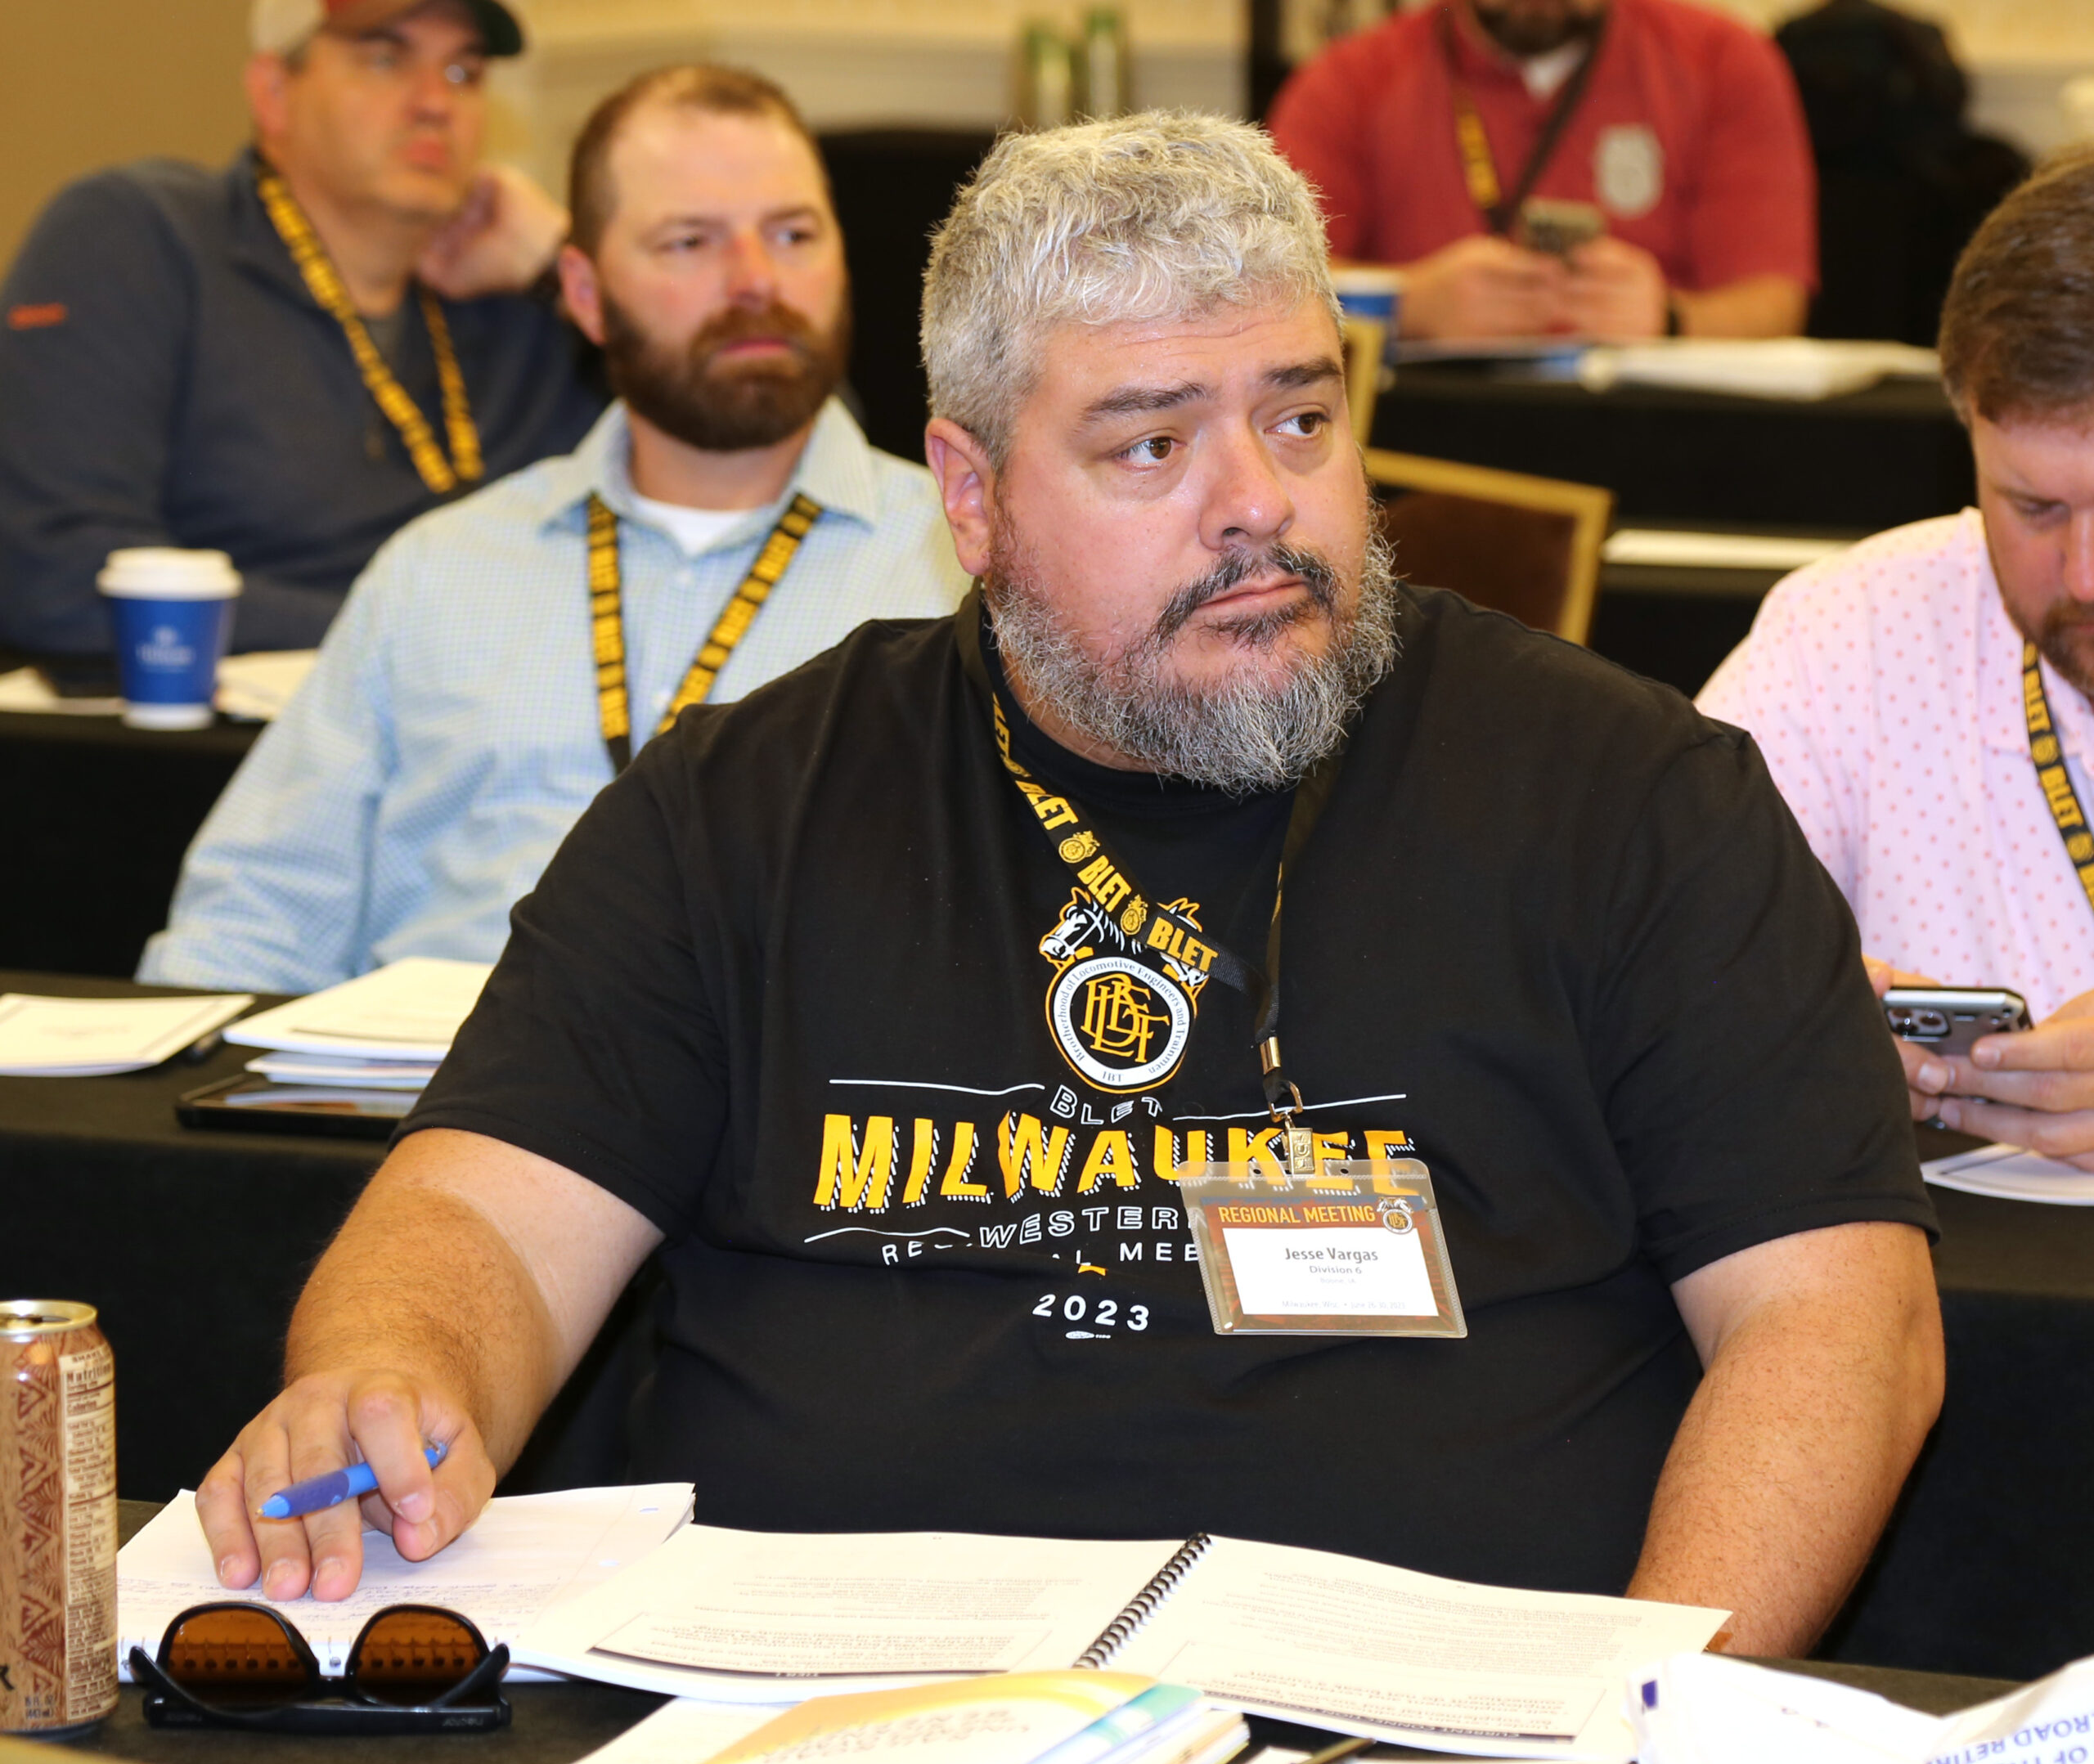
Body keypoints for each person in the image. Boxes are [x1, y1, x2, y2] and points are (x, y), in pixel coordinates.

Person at [198, 114, 1940, 1660]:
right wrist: (398, 1372)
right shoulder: (743, 808)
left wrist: (1643, 1714)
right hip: (813, 1722)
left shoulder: (1630, 798)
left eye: (1299, 418)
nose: (1256, 507)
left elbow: (1834, 1316)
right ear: (969, 496)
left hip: (1426, 1746)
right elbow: (481, 1222)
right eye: (1149, 447)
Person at [137, 65, 965, 994]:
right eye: (689, 241)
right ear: (583, 291)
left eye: (793, 234)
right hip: (424, 1069)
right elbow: (250, 919)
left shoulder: (967, 567)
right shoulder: (439, 570)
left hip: (782, 1077)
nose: (755, 281)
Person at [1699, 152, 2094, 1172]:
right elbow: (1646, 949)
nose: (2082, 575)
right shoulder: (1855, 628)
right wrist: (1787, 1029)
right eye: (2034, 508)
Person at [0, 0, 601, 658]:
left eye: (464, 73)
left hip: (498, 700)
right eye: (385, 60)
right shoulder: (144, 239)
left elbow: (684, 466)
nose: (435, 103)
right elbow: (51, 571)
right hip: (228, 711)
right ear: (274, 93)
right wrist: (409, 645)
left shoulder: (518, 302)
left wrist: (564, 268)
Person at [1268, 0, 1815, 341]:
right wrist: (1409, 305)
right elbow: (1268, 287)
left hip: (1663, 440)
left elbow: (1772, 302)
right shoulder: (1348, 82)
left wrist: (1669, 320)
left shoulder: (1723, 62)